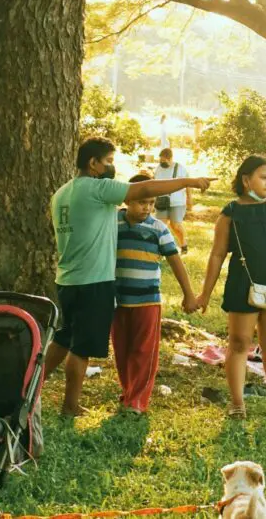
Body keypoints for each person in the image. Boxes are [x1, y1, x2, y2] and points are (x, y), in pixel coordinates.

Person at [46, 136, 212, 417]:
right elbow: (144, 187)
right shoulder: (96, 189)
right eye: (109, 161)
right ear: (93, 164)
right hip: (93, 282)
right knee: (81, 346)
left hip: (67, 279)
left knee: (64, 337)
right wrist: (188, 182)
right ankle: (70, 406)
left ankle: (30, 390)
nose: (112, 167)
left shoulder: (62, 193)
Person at [194, 155, 266, 418]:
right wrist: (205, 293)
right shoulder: (230, 213)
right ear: (246, 180)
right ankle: (237, 404)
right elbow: (216, 255)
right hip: (241, 284)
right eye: (263, 177)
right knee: (238, 343)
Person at [113, 174, 197, 414]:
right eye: (142, 202)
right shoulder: (112, 222)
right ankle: (129, 390)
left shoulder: (158, 228)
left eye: (151, 203)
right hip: (118, 300)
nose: (147, 208)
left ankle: (137, 400)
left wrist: (188, 294)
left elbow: (175, 261)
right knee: (122, 349)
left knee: (144, 351)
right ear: (128, 199)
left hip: (147, 300)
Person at [154, 148, 192, 254]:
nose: (162, 163)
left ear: (170, 158)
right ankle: (161, 248)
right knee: (160, 225)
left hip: (177, 201)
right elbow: (154, 183)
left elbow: (188, 184)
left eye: (164, 160)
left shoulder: (180, 168)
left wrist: (189, 199)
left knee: (175, 225)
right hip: (161, 201)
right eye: (160, 160)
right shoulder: (158, 168)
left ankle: (183, 245)